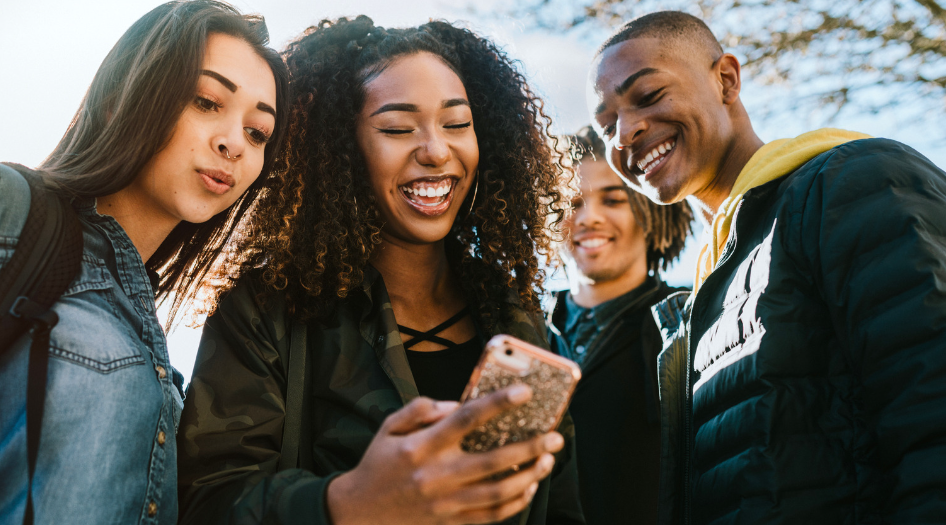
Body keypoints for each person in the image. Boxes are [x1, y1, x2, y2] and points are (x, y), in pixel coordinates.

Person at [176, 15, 584, 525]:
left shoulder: (515, 313)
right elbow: (204, 502)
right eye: (396, 128)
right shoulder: (268, 306)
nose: (437, 151)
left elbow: (561, 507)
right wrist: (347, 503)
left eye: (457, 124)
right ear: (342, 150)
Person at [587, 10, 946, 525]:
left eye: (647, 97)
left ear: (726, 80)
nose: (624, 134)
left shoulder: (852, 183)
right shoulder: (706, 292)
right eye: (606, 125)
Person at [0, 1, 289, 523]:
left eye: (258, 132)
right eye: (206, 100)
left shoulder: (162, 366)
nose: (234, 143)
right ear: (124, 95)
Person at [546, 125, 692, 524]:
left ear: (652, 210)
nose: (589, 218)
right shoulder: (518, 328)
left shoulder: (692, 320)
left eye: (613, 200)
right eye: (573, 202)